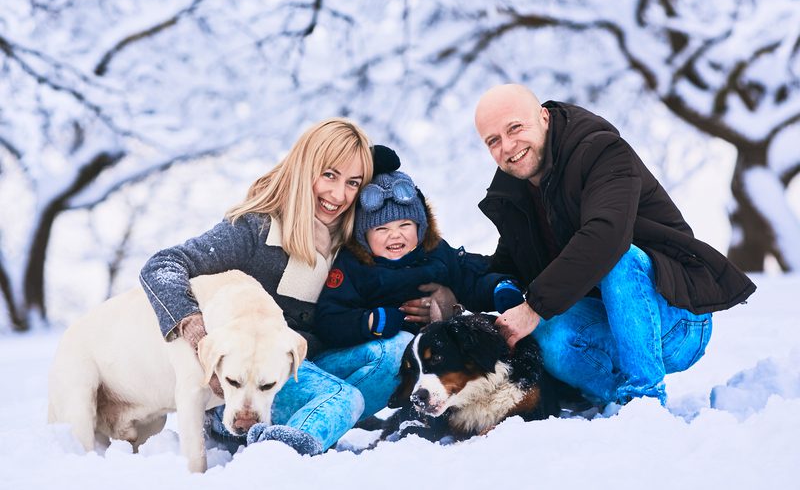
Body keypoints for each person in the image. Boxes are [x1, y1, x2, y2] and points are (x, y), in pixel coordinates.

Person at [471, 83, 756, 406]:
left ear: (544, 117)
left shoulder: (600, 151)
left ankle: (644, 399)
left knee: (617, 258)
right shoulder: (515, 193)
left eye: (515, 128)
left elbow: (606, 237)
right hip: (606, 321)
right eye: (493, 141)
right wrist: (445, 281)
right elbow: (504, 267)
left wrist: (534, 306)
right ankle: (613, 401)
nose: (508, 146)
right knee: (547, 336)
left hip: (676, 319)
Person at [139, 118, 411, 456]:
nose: (338, 194)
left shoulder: (352, 243)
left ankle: (321, 418)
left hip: (305, 368)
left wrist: (442, 300)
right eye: (329, 175)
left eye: (353, 183)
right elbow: (163, 266)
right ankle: (269, 448)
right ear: (304, 168)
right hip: (250, 385)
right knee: (347, 397)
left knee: (399, 351)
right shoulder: (252, 230)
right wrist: (195, 330)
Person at [315, 167, 526, 348]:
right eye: (381, 228)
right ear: (363, 238)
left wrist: (498, 287)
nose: (395, 234)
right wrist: (369, 322)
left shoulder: (436, 253)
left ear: (420, 227)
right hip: (381, 346)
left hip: (436, 346)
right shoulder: (354, 266)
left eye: (405, 225)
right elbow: (329, 318)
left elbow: (470, 277)